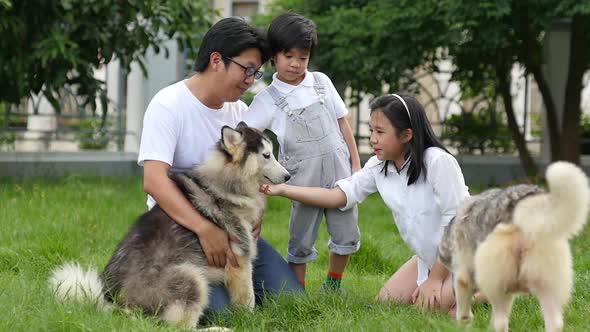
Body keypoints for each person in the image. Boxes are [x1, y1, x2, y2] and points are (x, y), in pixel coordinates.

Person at [137, 17, 304, 312]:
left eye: (256, 72)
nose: (250, 79)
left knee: (290, 302)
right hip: (180, 234)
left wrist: (256, 213)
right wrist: (205, 229)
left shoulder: (240, 112)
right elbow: (154, 180)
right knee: (216, 310)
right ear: (217, 60)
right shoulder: (168, 105)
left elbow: (258, 167)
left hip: (236, 232)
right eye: (247, 69)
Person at [260, 93, 470, 313]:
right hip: (429, 258)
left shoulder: (438, 162)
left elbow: (457, 223)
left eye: (380, 132)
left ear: (406, 134)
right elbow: (337, 196)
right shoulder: (379, 166)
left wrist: (435, 280)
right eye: (371, 130)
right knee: (386, 302)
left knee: (429, 309)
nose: (373, 138)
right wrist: (283, 189)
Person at [243, 13, 362, 293]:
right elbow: (246, 137)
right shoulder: (267, 100)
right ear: (274, 56)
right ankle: (298, 291)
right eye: (288, 56)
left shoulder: (321, 82)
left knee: (345, 232)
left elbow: (342, 123)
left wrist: (356, 164)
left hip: (340, 174)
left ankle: (334, 283)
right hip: (301, 181)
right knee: (301, 238)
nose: (296, 64)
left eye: (303, 56)